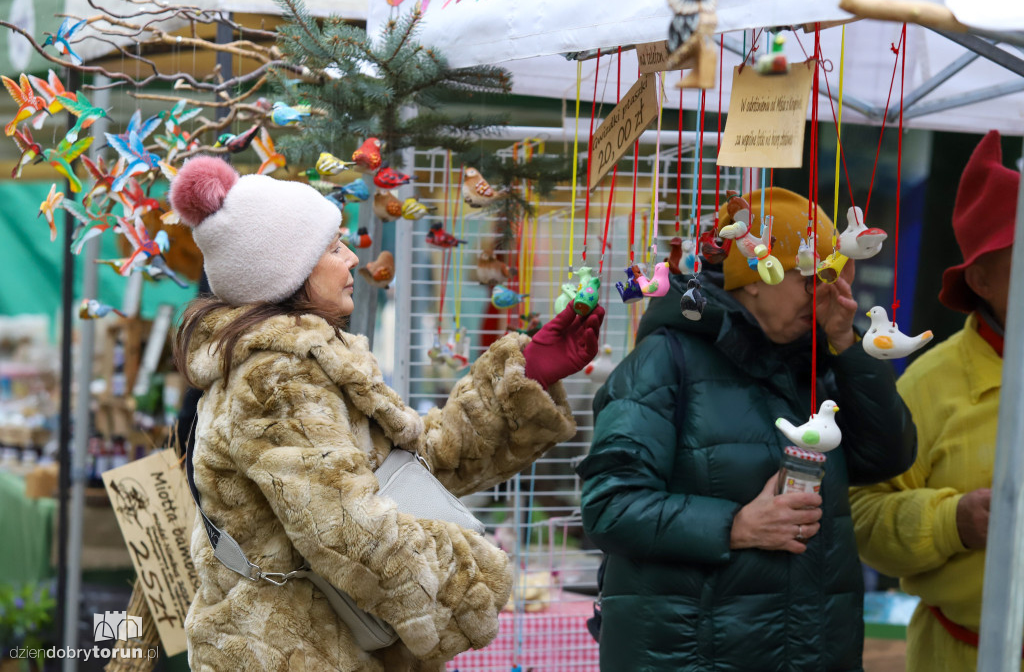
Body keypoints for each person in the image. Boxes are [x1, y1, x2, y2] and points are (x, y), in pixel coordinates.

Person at [168, 156, 605, 671]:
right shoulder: (277, 379)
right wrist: (471, 579)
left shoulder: (314, 364)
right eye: (333, 248)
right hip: (294, 653)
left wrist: (524, 376)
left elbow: (415, 467)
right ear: (289, 272)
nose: (352, 258)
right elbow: (348, 527)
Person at [577, 187, 916, 672]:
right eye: (811, 279)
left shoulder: (819, 360)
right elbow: (609, 506)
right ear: (753, 278)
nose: (826, 294)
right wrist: (735, 526)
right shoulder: (664, 361)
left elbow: (888, 457)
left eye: (836, 279)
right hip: (691, 655)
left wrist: (848, 342)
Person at [849, 130, 1019, 671]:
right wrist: (954, 521)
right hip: (960, 657)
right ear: (982, 278)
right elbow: (859, 516)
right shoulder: (929, 385)